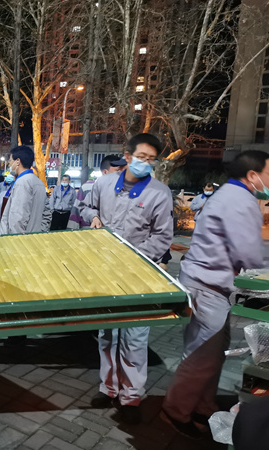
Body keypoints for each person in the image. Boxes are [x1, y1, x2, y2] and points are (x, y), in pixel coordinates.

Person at [161, 151, 267, 439]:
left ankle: (202, 406)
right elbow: (249, 253)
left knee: (210, 353)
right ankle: (176, 410)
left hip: (205, 282)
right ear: (253, 175)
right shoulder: (242, 201)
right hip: (209, 286)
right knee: (202, 356)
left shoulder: (226, 195)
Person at [80, 134, 173, 424]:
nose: (145, 163)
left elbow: (163, 236)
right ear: (128, 155)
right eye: (141, 157)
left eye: (151, 159)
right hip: (105, 269)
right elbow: (86, 207)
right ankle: (108, 388)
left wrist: (133, 258)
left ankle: (131, 396)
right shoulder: (104, 183)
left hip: (138, 273)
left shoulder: (159, 193)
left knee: (135, 336)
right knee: (107, 333)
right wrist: (93, 217)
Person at [0, 146, 51, 235]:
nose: (9, 164)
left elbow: (18, 217)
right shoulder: (39, 182)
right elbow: (47, 213)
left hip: (19, 239)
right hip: (33, 236)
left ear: (18, 161)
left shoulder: (22, 182)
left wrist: (16, 239)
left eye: (10, 161)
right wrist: (40, 232)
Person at [68, 154, 125, 229]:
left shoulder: (128, 188)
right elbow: (79, 210)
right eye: (117, 171)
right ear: (105, 172)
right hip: (93, 230)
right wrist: (94, 217)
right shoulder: (89, 187)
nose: (120, 173)